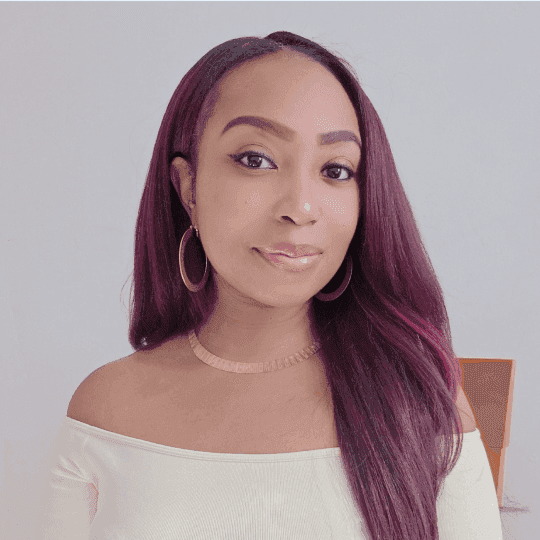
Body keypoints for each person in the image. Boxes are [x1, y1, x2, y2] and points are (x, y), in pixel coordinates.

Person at [39, 31, 503, 539]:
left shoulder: (422, 397)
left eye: (335, 169)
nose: (300, 207)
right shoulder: (104, 410)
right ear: (188, 187)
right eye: (255, 159)